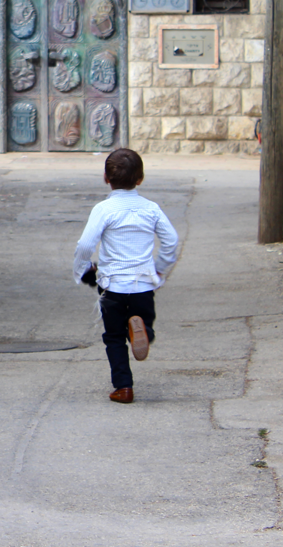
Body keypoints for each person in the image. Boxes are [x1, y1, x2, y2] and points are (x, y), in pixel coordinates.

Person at [74, 147, 180, 404]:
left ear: (106, 178)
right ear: (140, 178)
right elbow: (171, 241)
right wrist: (159, 268)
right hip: (143, 284)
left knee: (113, 338)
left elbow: (86, 245)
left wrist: (82, 270)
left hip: (112, 287)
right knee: (145, 323)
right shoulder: (151, 209)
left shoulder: (104, 209)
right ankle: (142, 331)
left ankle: (124, 388)